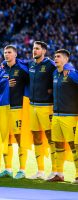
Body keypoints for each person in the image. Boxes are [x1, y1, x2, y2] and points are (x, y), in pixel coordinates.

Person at [0, 45, 29, 179]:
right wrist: (5, 84)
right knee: (6, 137)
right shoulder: (2, 69)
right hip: (4, 107)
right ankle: (7, 169)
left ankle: (22, 170)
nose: (6, 55)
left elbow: (32, 81)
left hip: (17, 107)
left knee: (20, 138)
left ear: (15, 54)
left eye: (9, 52)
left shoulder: (21, 69)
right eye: (5, 52)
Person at [47, 49, 78, 182]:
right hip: (56, 115)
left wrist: (70, 68)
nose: (55, 58)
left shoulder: (72, 73)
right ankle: (59, 174)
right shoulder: (55, 73)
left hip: (70, 115)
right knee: (58, 145)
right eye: (54, 56)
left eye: (58, 56)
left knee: (74, 146)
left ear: (66, 59)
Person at [28, 41, 57, 180]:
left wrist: (51, 91)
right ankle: (40, 171)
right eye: (34, 48)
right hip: (32, 105)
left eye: (37, 49)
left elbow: (62, 73)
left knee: (51, 137)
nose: (34, 51)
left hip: (46, 106)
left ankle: (56, 171)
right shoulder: (31, 64)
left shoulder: (51, 65)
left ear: (44, 51)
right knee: (36, 137)